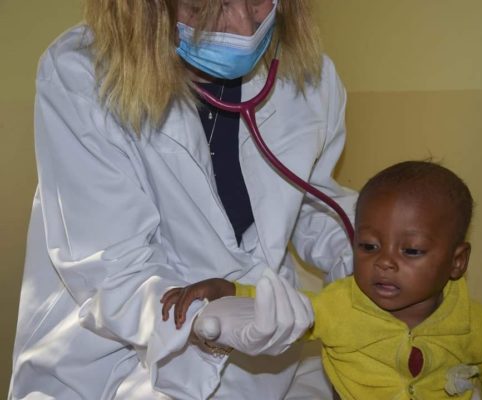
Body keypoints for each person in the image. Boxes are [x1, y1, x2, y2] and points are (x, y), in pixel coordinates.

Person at [9, 0, 356, 399]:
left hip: (260, 364)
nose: (245, 29)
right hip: (109, 360)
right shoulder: (83, 73)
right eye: (203, 6)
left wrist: (372, 265)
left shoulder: (309, 77)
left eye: (258, 0)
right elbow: (113, 268)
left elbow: (315, 206)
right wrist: (210, 317)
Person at [164, 161, 482, 399]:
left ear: (457, 262)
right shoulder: (340, 305)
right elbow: (280, 307)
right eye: (369, 246)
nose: (384, 262)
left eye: (411, 251)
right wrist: (227, 290)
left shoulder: (476, 325)